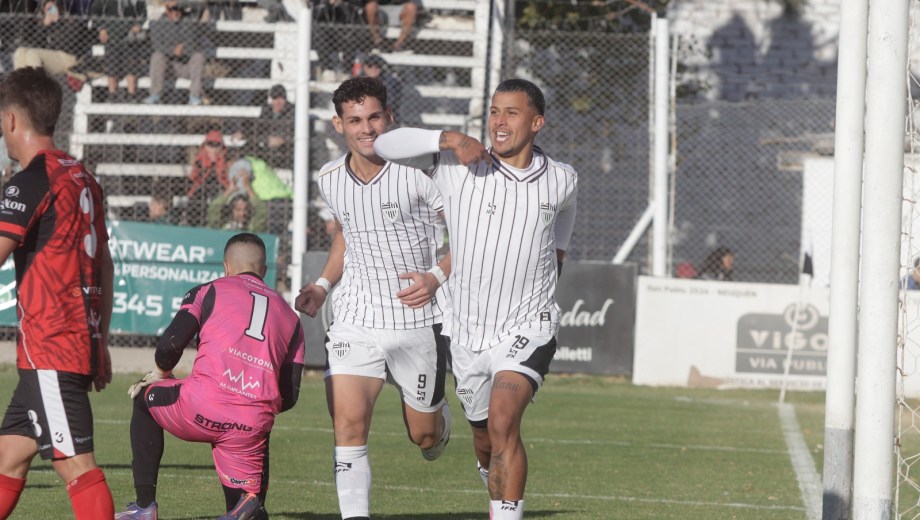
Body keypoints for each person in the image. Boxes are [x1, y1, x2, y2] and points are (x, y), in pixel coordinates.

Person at [374, 78, 578, 520]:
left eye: (511, 112)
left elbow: (565, 215)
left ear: (537, 122)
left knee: (505, 420)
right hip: (466, 331)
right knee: (485, 438)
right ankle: (492, 480)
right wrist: (449, 139)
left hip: (529, 324)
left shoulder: (561, 178)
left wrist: (557, 257)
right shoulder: (455, 164)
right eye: (493, 111)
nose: (499, 122)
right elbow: (383, 143)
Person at [294, 77, 451, 520]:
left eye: (374, 117)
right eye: (355, 120)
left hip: (417, 317)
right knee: (346, 425)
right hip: (355, 317)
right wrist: (322, 285)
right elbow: (348, 233)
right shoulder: (328, 177)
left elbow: (469, 235)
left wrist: (437, 276)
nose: (367, 129)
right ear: (338, 124)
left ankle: (437, 423)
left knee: (422, 436)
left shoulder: (421, 172)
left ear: (390, 118)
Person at [116, 233, 305, 520]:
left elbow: (170, 345)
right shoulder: (292, 318)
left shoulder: (209, 290)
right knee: (257, 436)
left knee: (144, 399)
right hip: (248, 429)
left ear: (226, 266)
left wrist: (160, 373)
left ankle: (145, 507)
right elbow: (289, 395)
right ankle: (248, 504)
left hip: (200, 408)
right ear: (264, 271)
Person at [0, 67, 115, 519]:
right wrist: (100, 339)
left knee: (77, 467)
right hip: (71, 342)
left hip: (51, 346)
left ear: (11, 120)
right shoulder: (82, 176)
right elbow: (105, 264)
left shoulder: (32, 180)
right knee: (9, 456)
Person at [12, 0, 95, 91]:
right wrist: (44, 25)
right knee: (20, 51)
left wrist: (58, 23)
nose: (50, 12)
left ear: (59, 8)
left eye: (52, 8)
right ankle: (20, 88)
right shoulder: (43, 22)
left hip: (66, 57)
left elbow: (66, 44)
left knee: (33, 54)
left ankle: (38, 89)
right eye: (48, 9)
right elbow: (34, 43)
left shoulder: (70, 21)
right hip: (51, 56)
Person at [144, 0, 206, 105]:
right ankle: (155, 95)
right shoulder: (158, 22)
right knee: (157, 56)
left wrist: (177, 3)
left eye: (177, 9)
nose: (175, 12)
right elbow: (156, 45)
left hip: (188, 67)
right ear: (166, 10)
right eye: (172, 10)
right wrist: (172, 50)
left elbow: (201, 4)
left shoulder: (191, 19)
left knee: (198, 56)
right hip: (168, 67)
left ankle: (194, 96)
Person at [89, 0, 149, 102]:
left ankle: (131, 95)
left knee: (131, 60)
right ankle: (112, 94)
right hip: (111, 36)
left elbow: (143, 12)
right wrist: (101, 28)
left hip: (129, 37)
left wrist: (138, 25)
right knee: (111, 60)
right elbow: (94, 12)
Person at [186, 129, 231, 227]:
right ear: (205, 146)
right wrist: (208, 165)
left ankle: (215, 224)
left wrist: (218, 162)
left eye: (217, 145)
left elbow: (227, 180)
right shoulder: (200, 159)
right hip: (202, 188)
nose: (213, 149)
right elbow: (194, 178)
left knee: (217, 199)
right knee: (197, 198)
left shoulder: (226, 160)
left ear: (221, 147)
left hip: (221, 188)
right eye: (210, 145)